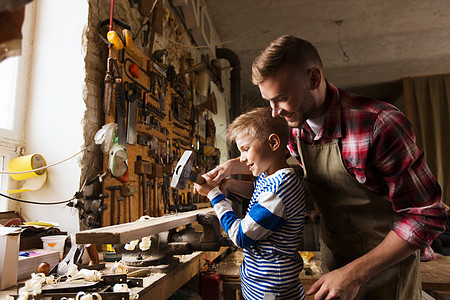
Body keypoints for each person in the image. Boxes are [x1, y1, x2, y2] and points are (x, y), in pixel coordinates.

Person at [207, 35, 448, 300]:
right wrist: (236, 165)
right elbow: (290, 184)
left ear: (313, 79)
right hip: (334, 268)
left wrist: (354, 274)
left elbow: (426, 216)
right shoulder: (296, 132)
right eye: (269, 102)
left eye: (282, 98)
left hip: (385, 276)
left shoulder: (379, 124)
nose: (275, 113)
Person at [194, 107, 307, 300]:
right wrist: (230, 185)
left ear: (273, 142)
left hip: (271, 287)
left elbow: (241, 236)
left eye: (246, 149)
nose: (243, 158)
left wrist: (215, 196)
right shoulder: (271, 176)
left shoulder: (279, 189)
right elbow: (258, 192)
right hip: (261, 281)